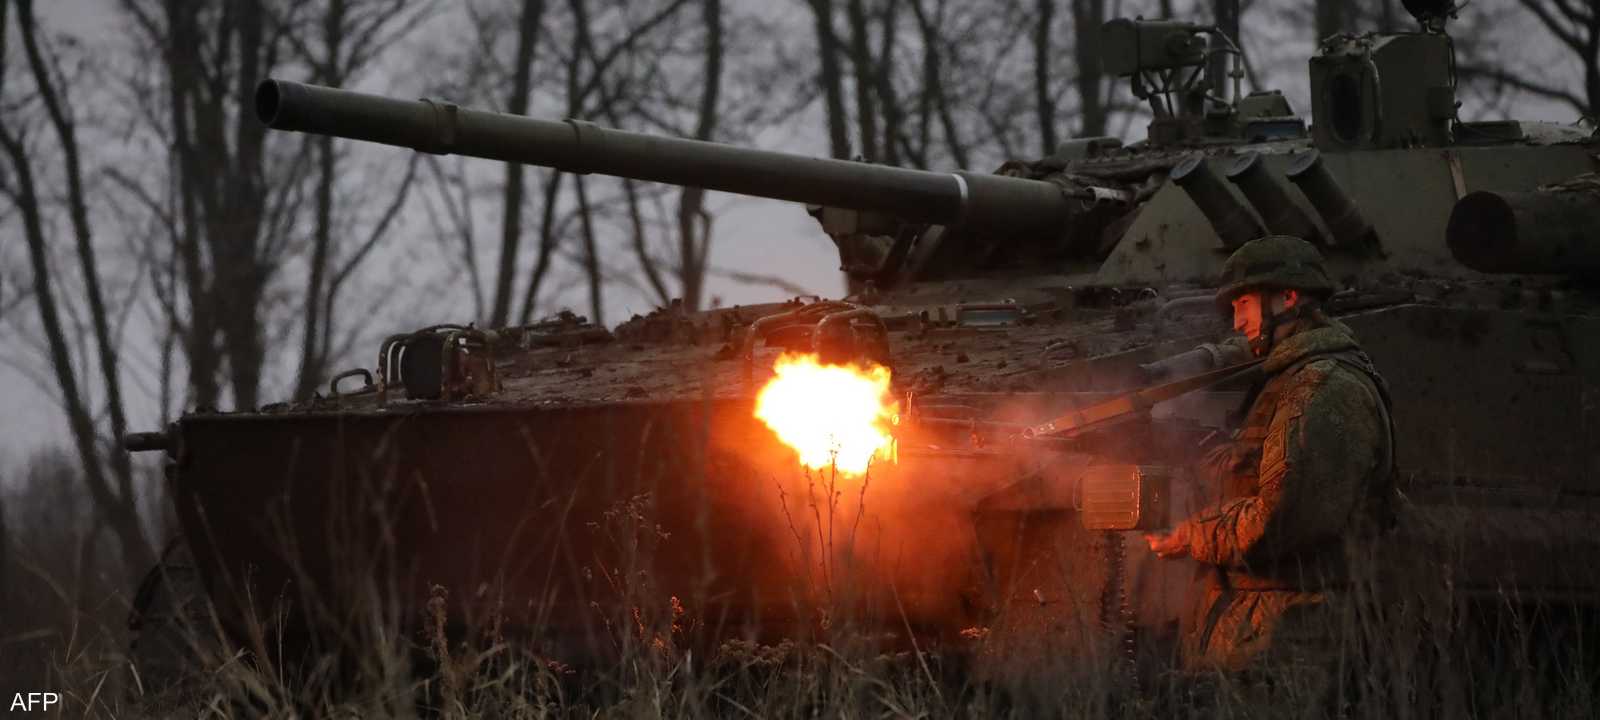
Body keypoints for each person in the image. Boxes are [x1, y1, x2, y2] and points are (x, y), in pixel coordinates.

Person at [1142, 235, 1396, 680]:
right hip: (1263, 630)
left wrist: (1189, 536)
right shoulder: (1291, 380)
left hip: (1296, 641)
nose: (1238, 322)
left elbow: (1281, 523)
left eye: (1243, 304)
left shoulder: (1322, 386)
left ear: (1288, 297)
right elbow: (1258, 470)